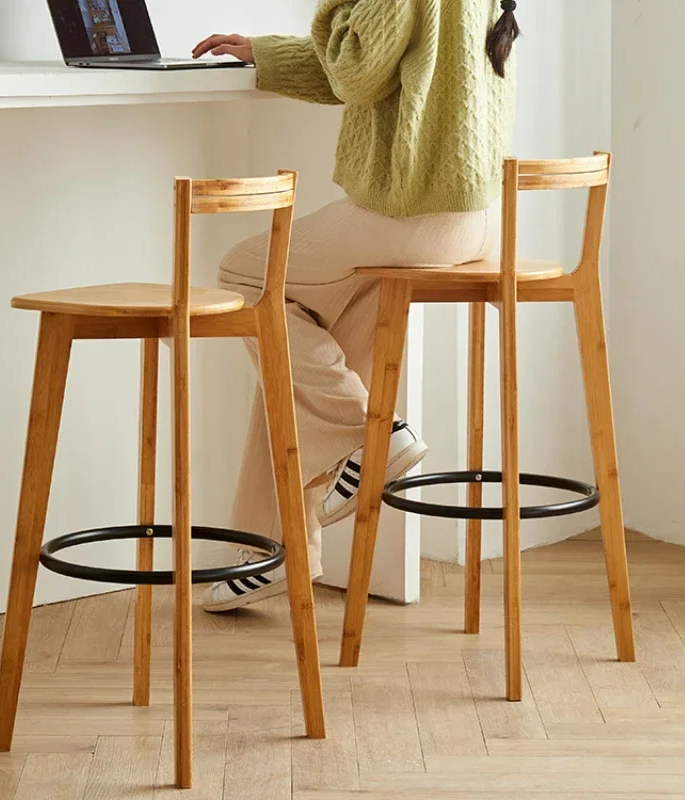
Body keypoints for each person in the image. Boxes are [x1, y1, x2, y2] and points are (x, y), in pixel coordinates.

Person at [193, 0, 520, 612]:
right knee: (291, 359)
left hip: (411, 212)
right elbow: (374, 57)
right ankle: (276, 545)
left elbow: (355, 73)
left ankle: (368, 434)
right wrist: (265, 52)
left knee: (244, 274)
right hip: (470, 217)